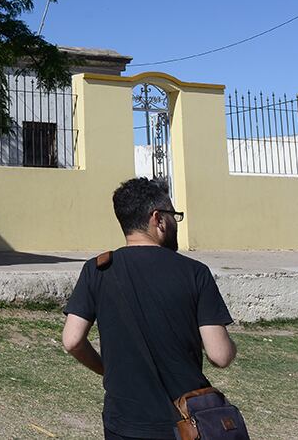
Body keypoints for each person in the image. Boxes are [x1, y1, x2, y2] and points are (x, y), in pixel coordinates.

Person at [62, 177, 237, 440]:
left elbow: (72, 340)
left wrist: (105, 369)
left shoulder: (97, 269)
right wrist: (233, 345)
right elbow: (220, 356)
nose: (175, 223)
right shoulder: (195, 273)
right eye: (173, 216)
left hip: (121, 422)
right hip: (184, 423)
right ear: (158, 219)